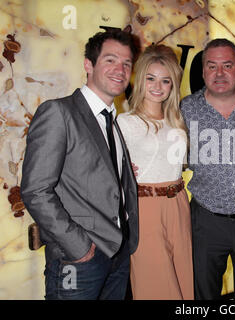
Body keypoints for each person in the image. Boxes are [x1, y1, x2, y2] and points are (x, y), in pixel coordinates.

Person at [20, 29, 140, 300]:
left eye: (126, 63)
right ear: (89, 64)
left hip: (118, 255)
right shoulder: (59, 113)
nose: (119, 69)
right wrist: (79, 247)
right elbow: (35, 190)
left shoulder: (113, 119)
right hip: (79, 260)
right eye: (110, 60)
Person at [180, 38, 235, 299]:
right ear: (203, 70)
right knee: (203, 295)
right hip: (205, 221)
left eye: (227, 65)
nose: (219, 74)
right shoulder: (185, 109)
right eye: (212, 66)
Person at [117, 44, 193, 300]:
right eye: (150, 78)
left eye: (165, 80)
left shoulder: (177, 121)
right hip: (144, 206)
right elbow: (110, 171)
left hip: (179, 204)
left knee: (183, 281)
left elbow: (175, 164)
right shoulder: (125, 122)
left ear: (173, 85)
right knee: (156, 287)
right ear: (140, 80)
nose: (157, 86)